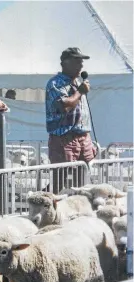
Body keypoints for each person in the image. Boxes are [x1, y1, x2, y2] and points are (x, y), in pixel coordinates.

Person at [45, 47, 95, 192]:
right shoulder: (55, 83)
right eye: (77, 61)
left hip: (83, 136)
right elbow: (64, 107)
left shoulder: (78, 82)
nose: (81, 65)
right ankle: (39, 204)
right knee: (59, 180)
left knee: (83, 181)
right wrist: (80, 91)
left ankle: (79, 210)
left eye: (82, 61)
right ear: (64, 63)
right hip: (64, 137)